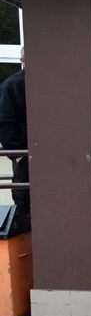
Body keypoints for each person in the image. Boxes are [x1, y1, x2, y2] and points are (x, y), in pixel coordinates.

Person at [0, 46, 29, 218]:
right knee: (23, 196)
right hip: (24, 152)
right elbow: (5, 123)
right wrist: (17, 154)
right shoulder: (10, 86)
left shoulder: (47, 84)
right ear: (22, 61)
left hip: (43, 152)